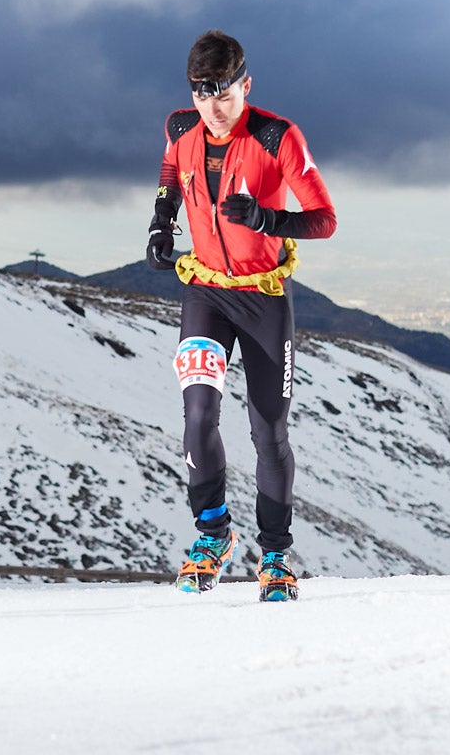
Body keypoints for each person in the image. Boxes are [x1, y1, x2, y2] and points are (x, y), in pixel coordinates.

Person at [146, 30, 337, 602]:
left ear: (245, 86)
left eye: (224, 96)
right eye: (203, 95)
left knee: (267, 431)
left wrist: (266, 219)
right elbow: (168, 173)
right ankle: (212, 535)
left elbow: (324, 219)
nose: (213, 108)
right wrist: (161, 221)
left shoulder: (277, 136)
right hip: (205, 292)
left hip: (262, 297)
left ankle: (275, 556)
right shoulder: (181, 129)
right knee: (198, 412)